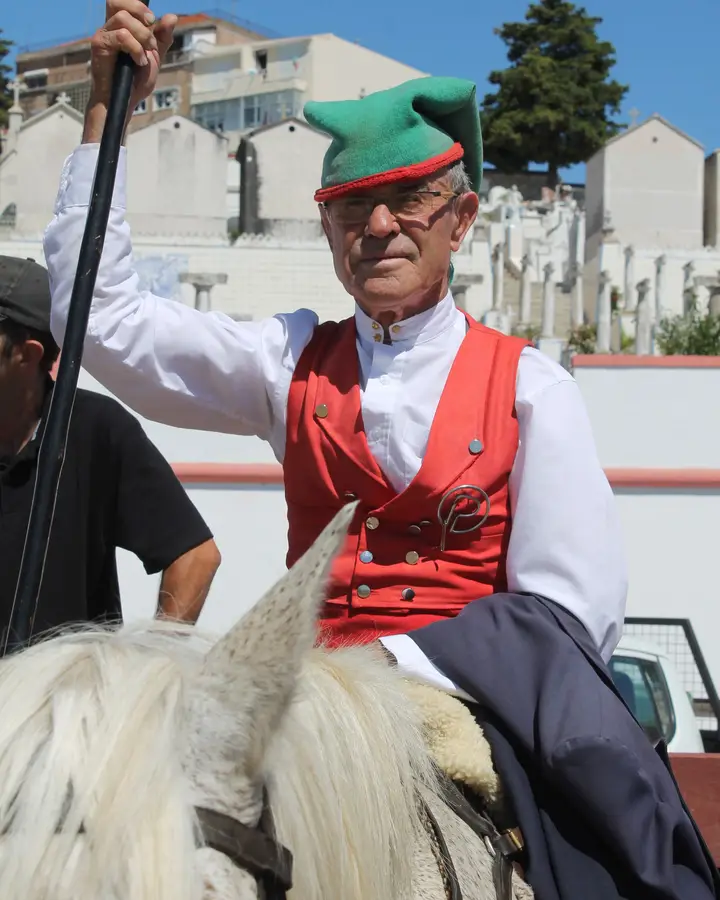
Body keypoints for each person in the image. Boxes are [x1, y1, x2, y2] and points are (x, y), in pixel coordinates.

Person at [43, 5, 718, 898]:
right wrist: (106, 119)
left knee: (595, 859)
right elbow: (105, 319)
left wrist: (400, 665)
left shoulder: (531, 388)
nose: (380, 226)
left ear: (461, 218)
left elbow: (570, 615)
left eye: (410, 201)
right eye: (352, 206)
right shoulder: (284, 360)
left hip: (462, 701)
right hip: (305, 693)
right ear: (327, 229)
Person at [0, 254, 221, 645]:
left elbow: (195, 557)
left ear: (27, 354)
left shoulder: (93, 431)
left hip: (64, 701)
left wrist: (151, 668)